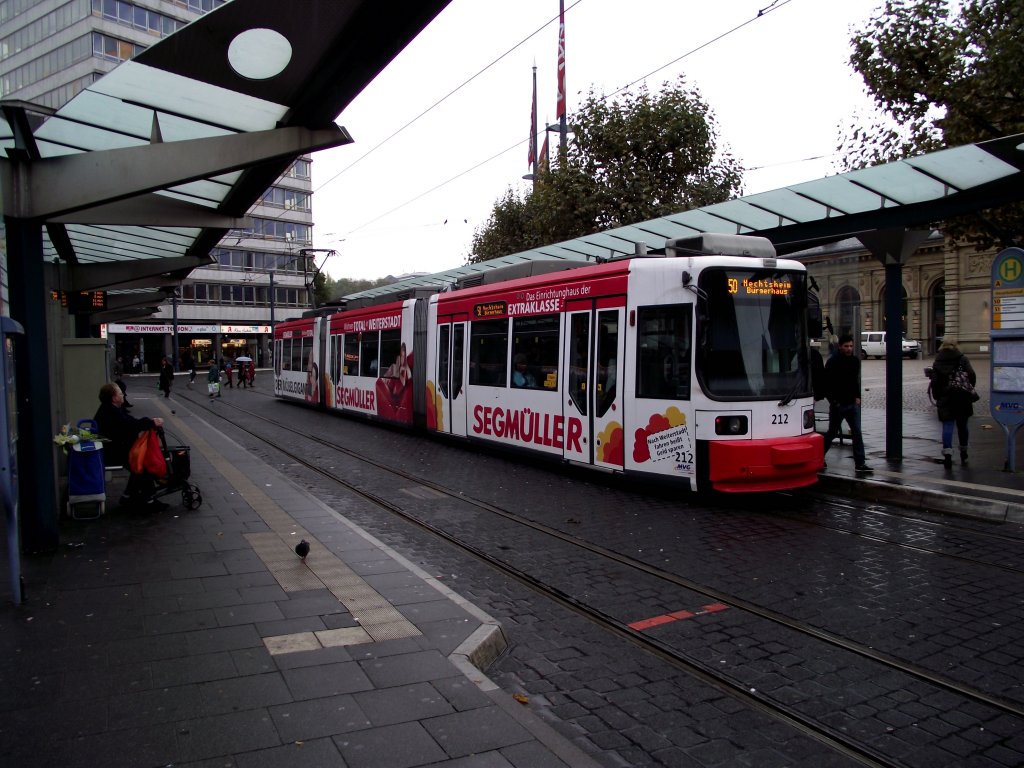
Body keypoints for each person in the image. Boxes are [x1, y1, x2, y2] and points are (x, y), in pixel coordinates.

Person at [93, 382, 166, 510]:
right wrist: (150, 422)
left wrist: (148, 422)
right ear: (114, 398)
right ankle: (148, 500)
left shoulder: (112, 409)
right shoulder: (111, 412)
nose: (123, 395)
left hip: (115, 448)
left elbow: (130, 422)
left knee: (139, 463)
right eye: (121, 393)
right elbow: (129, 425)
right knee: (143, 462)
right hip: (114, 452)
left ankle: (129, 496)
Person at [822, 333, 871, 473]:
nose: (849, 348)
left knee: (857, 433)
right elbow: (827, 385)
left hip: (851, 403)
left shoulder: (854, 361)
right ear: (840, 347)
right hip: (839, 405)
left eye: (851, 346)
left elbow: (855, 381)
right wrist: (834, 401)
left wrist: (857, 396)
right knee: (832, 433)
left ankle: (860, 463)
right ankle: (819, 456)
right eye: (846, 346)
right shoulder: (833, 362)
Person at [929, 339, 977, 467]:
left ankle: (948, 454)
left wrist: (937, 395)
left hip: (945, 397)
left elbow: (935, 382)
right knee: (962, 425)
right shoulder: (962, 359)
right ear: (956, 346)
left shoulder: (938, 360)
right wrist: (969, 388)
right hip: (961, 396)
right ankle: (964, 451)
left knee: (947, 424)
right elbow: (971, 374)